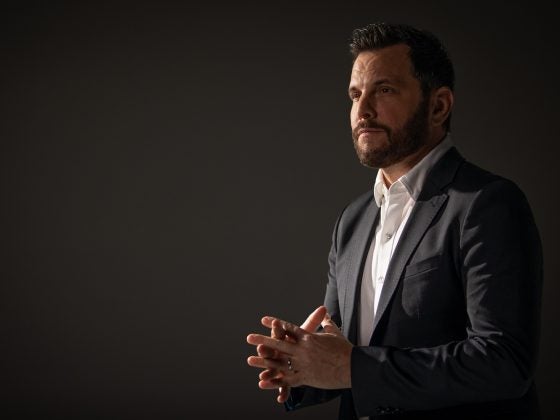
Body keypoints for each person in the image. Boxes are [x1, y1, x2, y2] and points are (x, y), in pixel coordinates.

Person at [246, 23, 543, 420]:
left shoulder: (488, 203)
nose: (363, 110)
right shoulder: (352, 221)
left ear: (438, 106)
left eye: (384, 90)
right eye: (355, 94)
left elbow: (504, 363)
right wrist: (301, 366)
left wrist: (351, 368)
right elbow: (345, 356)